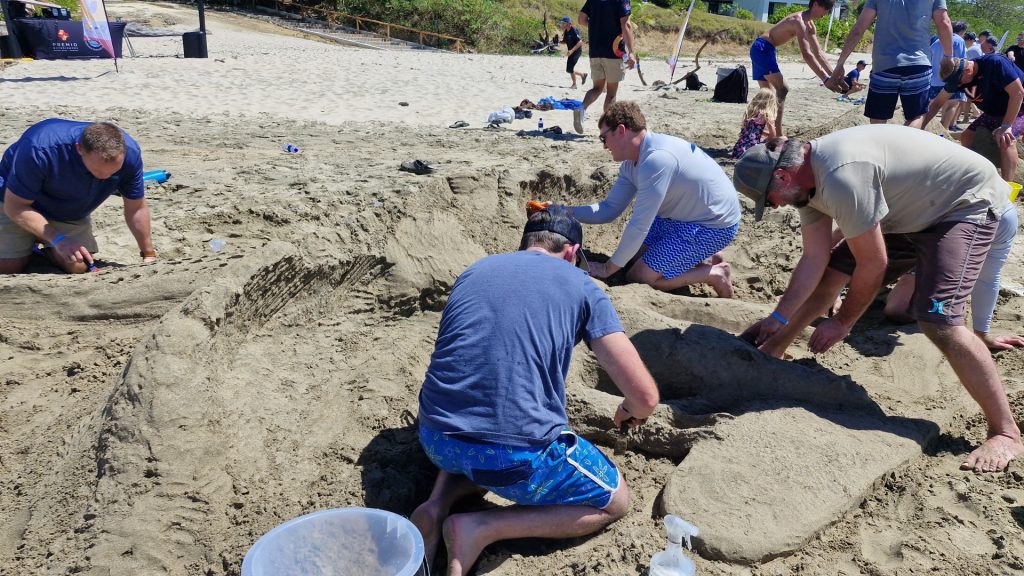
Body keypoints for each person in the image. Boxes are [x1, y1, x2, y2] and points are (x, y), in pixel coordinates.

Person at [732, 125, 1023, 473]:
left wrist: (843, 322)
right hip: (909, 208)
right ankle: (777, 348)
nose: (775, 206)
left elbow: (874, 264)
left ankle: (1005, 432)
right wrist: (777, 320)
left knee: (939, 321)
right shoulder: (806, 185)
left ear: (782, 174)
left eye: (770, 198)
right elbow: (814, 259)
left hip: (963, 203)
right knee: (831, 274)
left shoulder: (841, 177)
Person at [411, 205, 660, 576]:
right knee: (614, 501)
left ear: (526, 242)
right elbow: (645, 397)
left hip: (435, 439)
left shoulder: (476, 269)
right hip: (513, 456)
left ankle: (435, 505)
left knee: (474, 429)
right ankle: (480, 528)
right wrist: (632, 411)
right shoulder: (583, 286)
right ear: (573, 252)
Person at [568, 101, 740, 297]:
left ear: (621, 130)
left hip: (713, 225)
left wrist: (607, 269)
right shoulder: (632, 163)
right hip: (680, 216)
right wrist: (566, 211)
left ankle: (715, 274)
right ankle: (707, 257)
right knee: (632, 257)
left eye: (603, 137)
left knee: (639, 276)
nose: (604, 146)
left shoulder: (656, 160)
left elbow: (639, 225)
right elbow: (609, 209)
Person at [0, 119, 156, 274]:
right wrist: (58, 240)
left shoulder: (131, 155)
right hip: (15, 201)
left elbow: (135, 207)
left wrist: (148, 254)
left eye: (113, 172)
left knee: (78, 265)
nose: (104, 177)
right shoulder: (40, 149)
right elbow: (15, 206)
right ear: (79, 149)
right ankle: (30, 245)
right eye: (97, 170)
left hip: (67, 210)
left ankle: (40, 251)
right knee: (9, 267)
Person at [883, 201, 1023, 351]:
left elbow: (988, 277)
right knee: (897, 309)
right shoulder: (940, 209)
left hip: (990, 213)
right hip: (936, 223)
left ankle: (953, 287)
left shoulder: (1002, 217)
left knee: (937, 315)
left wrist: (982, 333)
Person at [827, 0, 953, 128]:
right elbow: (944, 23)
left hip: (884, 64)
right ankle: (903, 146)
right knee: (916, 116)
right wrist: (948, 56)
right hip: (918, 64)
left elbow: (859, 28)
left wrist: (840, 63)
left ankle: (882, 147)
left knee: (878, 119)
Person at [924, 55, 1024, 180]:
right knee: (966, 136)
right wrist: (920, 125)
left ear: (968, 70)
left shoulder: (995, 64)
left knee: (1005, 139)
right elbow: (938, 103)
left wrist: (1006, 126)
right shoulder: (957, 76)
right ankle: (971, 174)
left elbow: (1018, 93)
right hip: (994, 112)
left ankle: (1007, 188)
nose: (958, 86)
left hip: (1019, 108)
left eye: (959, 83)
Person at [748, 0, 840, 136]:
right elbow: (807, 55)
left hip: (765, 49)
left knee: (768, 94)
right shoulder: (799, 21)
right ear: (815, 4)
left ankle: (764, 130)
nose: (827, 12)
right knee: (782, 89)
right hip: (763, 48)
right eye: (826, 7)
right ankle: (778, 135)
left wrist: (834, 76)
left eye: (830, 9)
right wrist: (825, 79)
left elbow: (818, 53)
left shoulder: (810, 25)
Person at [573, 0, 634, 134]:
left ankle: (581, 108)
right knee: (611, 93)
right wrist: (632, 52)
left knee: (597, 88)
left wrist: (596, 25)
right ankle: (609, 127)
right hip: (613, 51)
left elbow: (581, 20)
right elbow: (626, 25)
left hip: (595, 51)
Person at [927, 21, 968, 131]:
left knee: (932, 108)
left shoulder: (936, 40)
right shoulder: (959, 41)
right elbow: (962, 61)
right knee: (952, 106)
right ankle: (943, 133)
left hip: (934, 80)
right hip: (951, 79)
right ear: (962, 32)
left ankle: (929, 130)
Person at [732, 88, 779, 158]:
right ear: (770, 102)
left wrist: (764, 133)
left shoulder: (750, 111)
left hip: (739, 149)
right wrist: (766, 142)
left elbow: (752, 130)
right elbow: (773, 135)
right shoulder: (766, 114)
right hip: (752, 150)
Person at [560, 16, 588, 89]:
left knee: (570, 68)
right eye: (562, 23)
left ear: (568, 23)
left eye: (563, 23)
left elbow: (580, 42)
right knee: (569, 69)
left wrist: (572, 50)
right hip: (571, 52)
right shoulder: (566, 31)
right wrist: (558, 41)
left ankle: (574, 85)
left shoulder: (574, 30)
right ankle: (582, 75)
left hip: (576, 51)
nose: (562, 24)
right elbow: (564, 41)